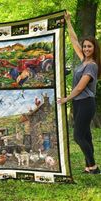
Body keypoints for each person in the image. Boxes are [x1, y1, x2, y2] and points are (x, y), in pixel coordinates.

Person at [57, 12, 101, 174]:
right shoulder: (84, 60)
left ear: (95, 48)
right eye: (85, 46)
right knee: (86, 136)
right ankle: (90, 166)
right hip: (79, 102)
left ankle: (93, 167)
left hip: (86, 102)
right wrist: (68, 21)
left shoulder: (92, 66)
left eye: (90, 46)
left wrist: (66, 99)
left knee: (78, 136)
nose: (86, 48)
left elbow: (81, 87)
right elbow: (74, 40)